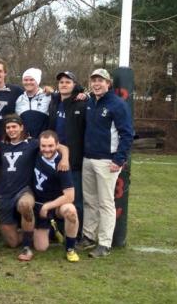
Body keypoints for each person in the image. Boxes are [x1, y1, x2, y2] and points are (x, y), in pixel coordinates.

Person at [0, 114, 69, 261]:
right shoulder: (1, 146)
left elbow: (61, 146)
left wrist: (65, 159)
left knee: (25, 205)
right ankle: (30, 232)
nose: (11, 130)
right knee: (12, 242)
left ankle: (27, 247)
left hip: (25, 190)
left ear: (21, 127)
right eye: (8, 127)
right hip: (5, 194)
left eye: (14, 127)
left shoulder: (32, 144)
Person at [79, 68, 134, 258]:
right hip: (88, 158)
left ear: (108, 83)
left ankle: (104, 243)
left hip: (106, 161)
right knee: (90, 201)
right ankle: (88, 236)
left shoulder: (117, 105)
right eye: (93, 80)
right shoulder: (89, 101)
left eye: (100, 81)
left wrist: (119, 160)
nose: (96, 84)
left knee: (105, 202)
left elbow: (127, 134)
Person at [32, 130, 81, 262]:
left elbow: (70, 196)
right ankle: (52, 230)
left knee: (71, 211)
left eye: (51, 146)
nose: (47, 149)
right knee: (41, 248)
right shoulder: (35, 153)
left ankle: (70, 248)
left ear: (57, 145)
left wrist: (48, 206)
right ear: (39, 145)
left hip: (57, 204)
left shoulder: (62, 164)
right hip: (38, 204)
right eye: (44, 146)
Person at [48, 70, 86, 225]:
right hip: (53, 156)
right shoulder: (55, 101)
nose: (64, 84)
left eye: (68, 82)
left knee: (74, 199)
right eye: (61, 82)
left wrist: (85, 94)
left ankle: (76, 235)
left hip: (73, 160)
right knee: (55, 195)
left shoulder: (81, 103)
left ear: (74, 85)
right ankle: (56, 231)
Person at [15, 67, 51, 138]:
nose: (28, 82)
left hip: (44, 142)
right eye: (25, 80)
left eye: (31, 80)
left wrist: (79, 92)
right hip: (25, 142)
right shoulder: (19, 99)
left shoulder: (48, 96)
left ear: (38, 81)